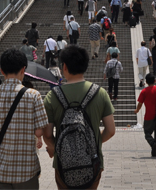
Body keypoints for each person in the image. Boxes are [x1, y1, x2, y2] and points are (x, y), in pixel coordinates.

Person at [43, 45, 115, 189]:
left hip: (63, 164)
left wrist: (54, 148)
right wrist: (91, 141)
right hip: (93, 162)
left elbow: (48, 135)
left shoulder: (52, 96)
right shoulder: (100, 93)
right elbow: (110, 130)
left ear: (64, 67)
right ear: (85, 66)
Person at [0, 48, 49, 189]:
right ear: (23, 69)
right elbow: (39, 132)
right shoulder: (34, 95)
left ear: (1, 70)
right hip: (27, 170)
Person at [135, 73, 156, 157]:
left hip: (149, 116)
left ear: (146, 82)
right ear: (155, 80)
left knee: (147, 133)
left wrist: (137, 110)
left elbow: (140, 103)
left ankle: (153, 144)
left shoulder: (144, 91)